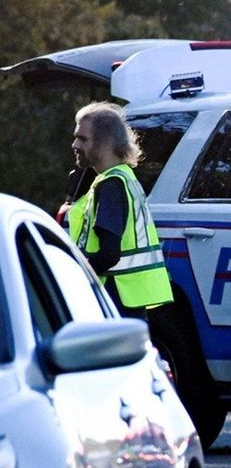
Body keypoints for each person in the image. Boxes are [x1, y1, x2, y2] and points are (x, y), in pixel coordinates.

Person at [69, 102, 173, 318]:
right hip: (124, 300)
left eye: (83, 138)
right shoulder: (122, 177)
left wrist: (75, 278)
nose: (75, 145)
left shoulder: (111, 184)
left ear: (106, 143)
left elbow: (109, 253)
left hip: (114, 299)